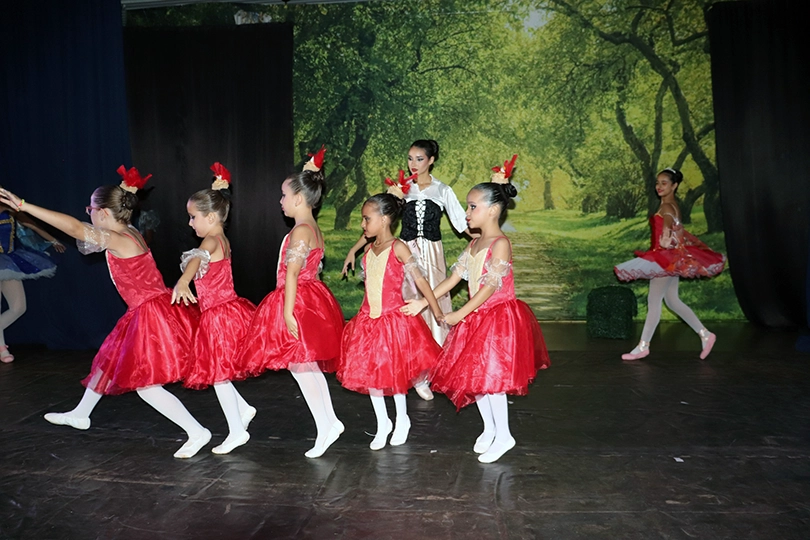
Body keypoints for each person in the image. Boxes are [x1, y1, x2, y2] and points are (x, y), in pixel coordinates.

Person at [0, 167, 211, 459]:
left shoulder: (118, 239)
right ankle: (81, 413)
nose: (88, 214)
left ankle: (197, 431)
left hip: (151, 313)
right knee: (109, 361)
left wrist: (24, 206)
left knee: (146, 386)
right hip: (150, 308)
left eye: (90, 208)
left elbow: (74, 228)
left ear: (102, 212)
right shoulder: (127, 232)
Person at [406, 156, 550, 463]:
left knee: (493, 381)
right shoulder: (473, 245)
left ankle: (505, 434)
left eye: (473, 207)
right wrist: (423, 300)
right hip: (476, 318)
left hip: (497, 318)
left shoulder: (500, 243)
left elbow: (489, 286)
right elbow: (454, 278)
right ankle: (489, 429)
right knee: (477, 379)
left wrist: (459, 314)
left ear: (493, 210)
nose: (467, 212)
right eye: (468, 206)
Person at [342, 140, 470, 401]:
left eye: (419, 158)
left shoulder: (442, 190)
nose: (413, 164)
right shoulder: (401, 190)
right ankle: (410, 372)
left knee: (434, 299)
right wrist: (354, 249)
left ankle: (432, 369)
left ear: (431, 160)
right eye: (410, 158)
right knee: (405, 311)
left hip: (432, 253)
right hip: (406, 251)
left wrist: (483, 237)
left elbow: (461, 222)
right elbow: (376, 222)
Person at [238, 148, 345, 459]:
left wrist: (286, 313)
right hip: (307, 298)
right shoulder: (312, 228)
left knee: (301, 366)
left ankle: (325, 425)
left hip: (298, 301)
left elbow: (293, 272)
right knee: (306, 366)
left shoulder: (300, 230)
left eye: (284, 195)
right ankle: (330, 421)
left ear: (299, 199)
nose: (281, 201)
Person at [338, 191, 444, 451]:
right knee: (371, 374)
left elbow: (419, 279)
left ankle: (402, 419)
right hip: (368, 320)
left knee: (394, 374)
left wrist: (434, 308)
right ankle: (382, 422)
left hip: (392, 320)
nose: (363, 225)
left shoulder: (398, 247)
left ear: (385, 219)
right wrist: (354, 249)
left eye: (367, 219)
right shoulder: (370, 248)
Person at [172, 162, 257, 455]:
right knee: (220, 369)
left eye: (193, 217)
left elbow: (197, 259)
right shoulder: (221, 237)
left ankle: (236, 431)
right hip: (224, 311)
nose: (190, 223)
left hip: (220, 315)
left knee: (219, 374)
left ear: (210, 217)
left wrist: (183, 281)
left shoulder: (210, 239)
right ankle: (243, 409)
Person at [614, 168, 725, 361]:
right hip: (671, 259)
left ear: (674, 186)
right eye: (658, 183)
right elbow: (678, 231)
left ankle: (643, 346)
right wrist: (671, 239)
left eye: (664, 183)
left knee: (654, 302)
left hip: (664, 260)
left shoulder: (666, 208)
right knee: (672, 301)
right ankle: (705, 335)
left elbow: (667, 225)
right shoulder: (673, 206)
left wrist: (666, 237)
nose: (659, 186)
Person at [0, 200, 64, 363]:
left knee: (19, 307)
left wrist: (53, 240)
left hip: (9, 261)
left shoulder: (10, 210)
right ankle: (2, 348)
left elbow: (32, 225)